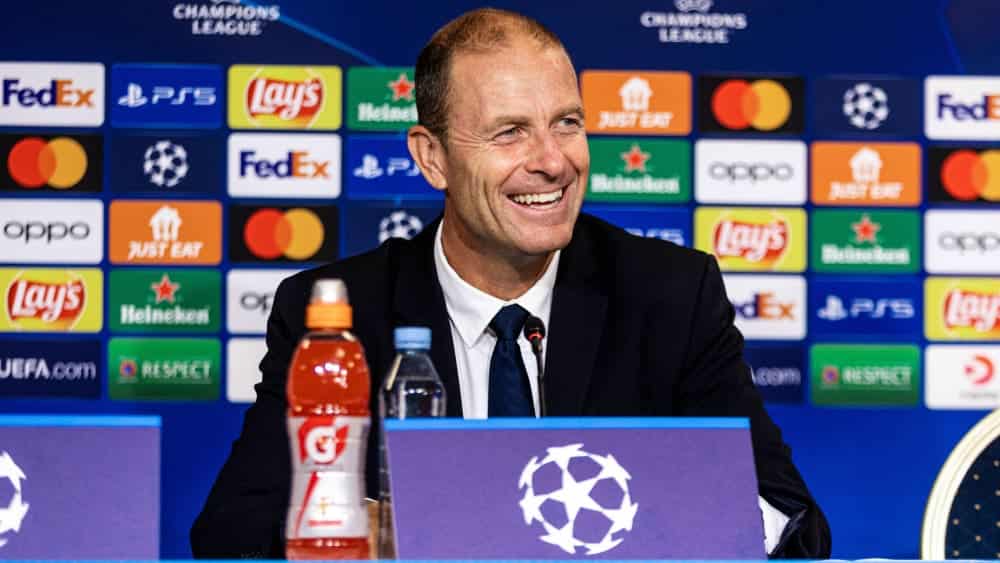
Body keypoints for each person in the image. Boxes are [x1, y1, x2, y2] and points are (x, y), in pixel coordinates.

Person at [191, 8, 831, 559]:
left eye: (567, 123)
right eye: (510, 132)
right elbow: (231, 530)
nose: (553, 161)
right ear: (432, 158)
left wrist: (645, 518)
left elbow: (793, 522)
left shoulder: (668, 294)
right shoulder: (342, 312)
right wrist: (372, 532)